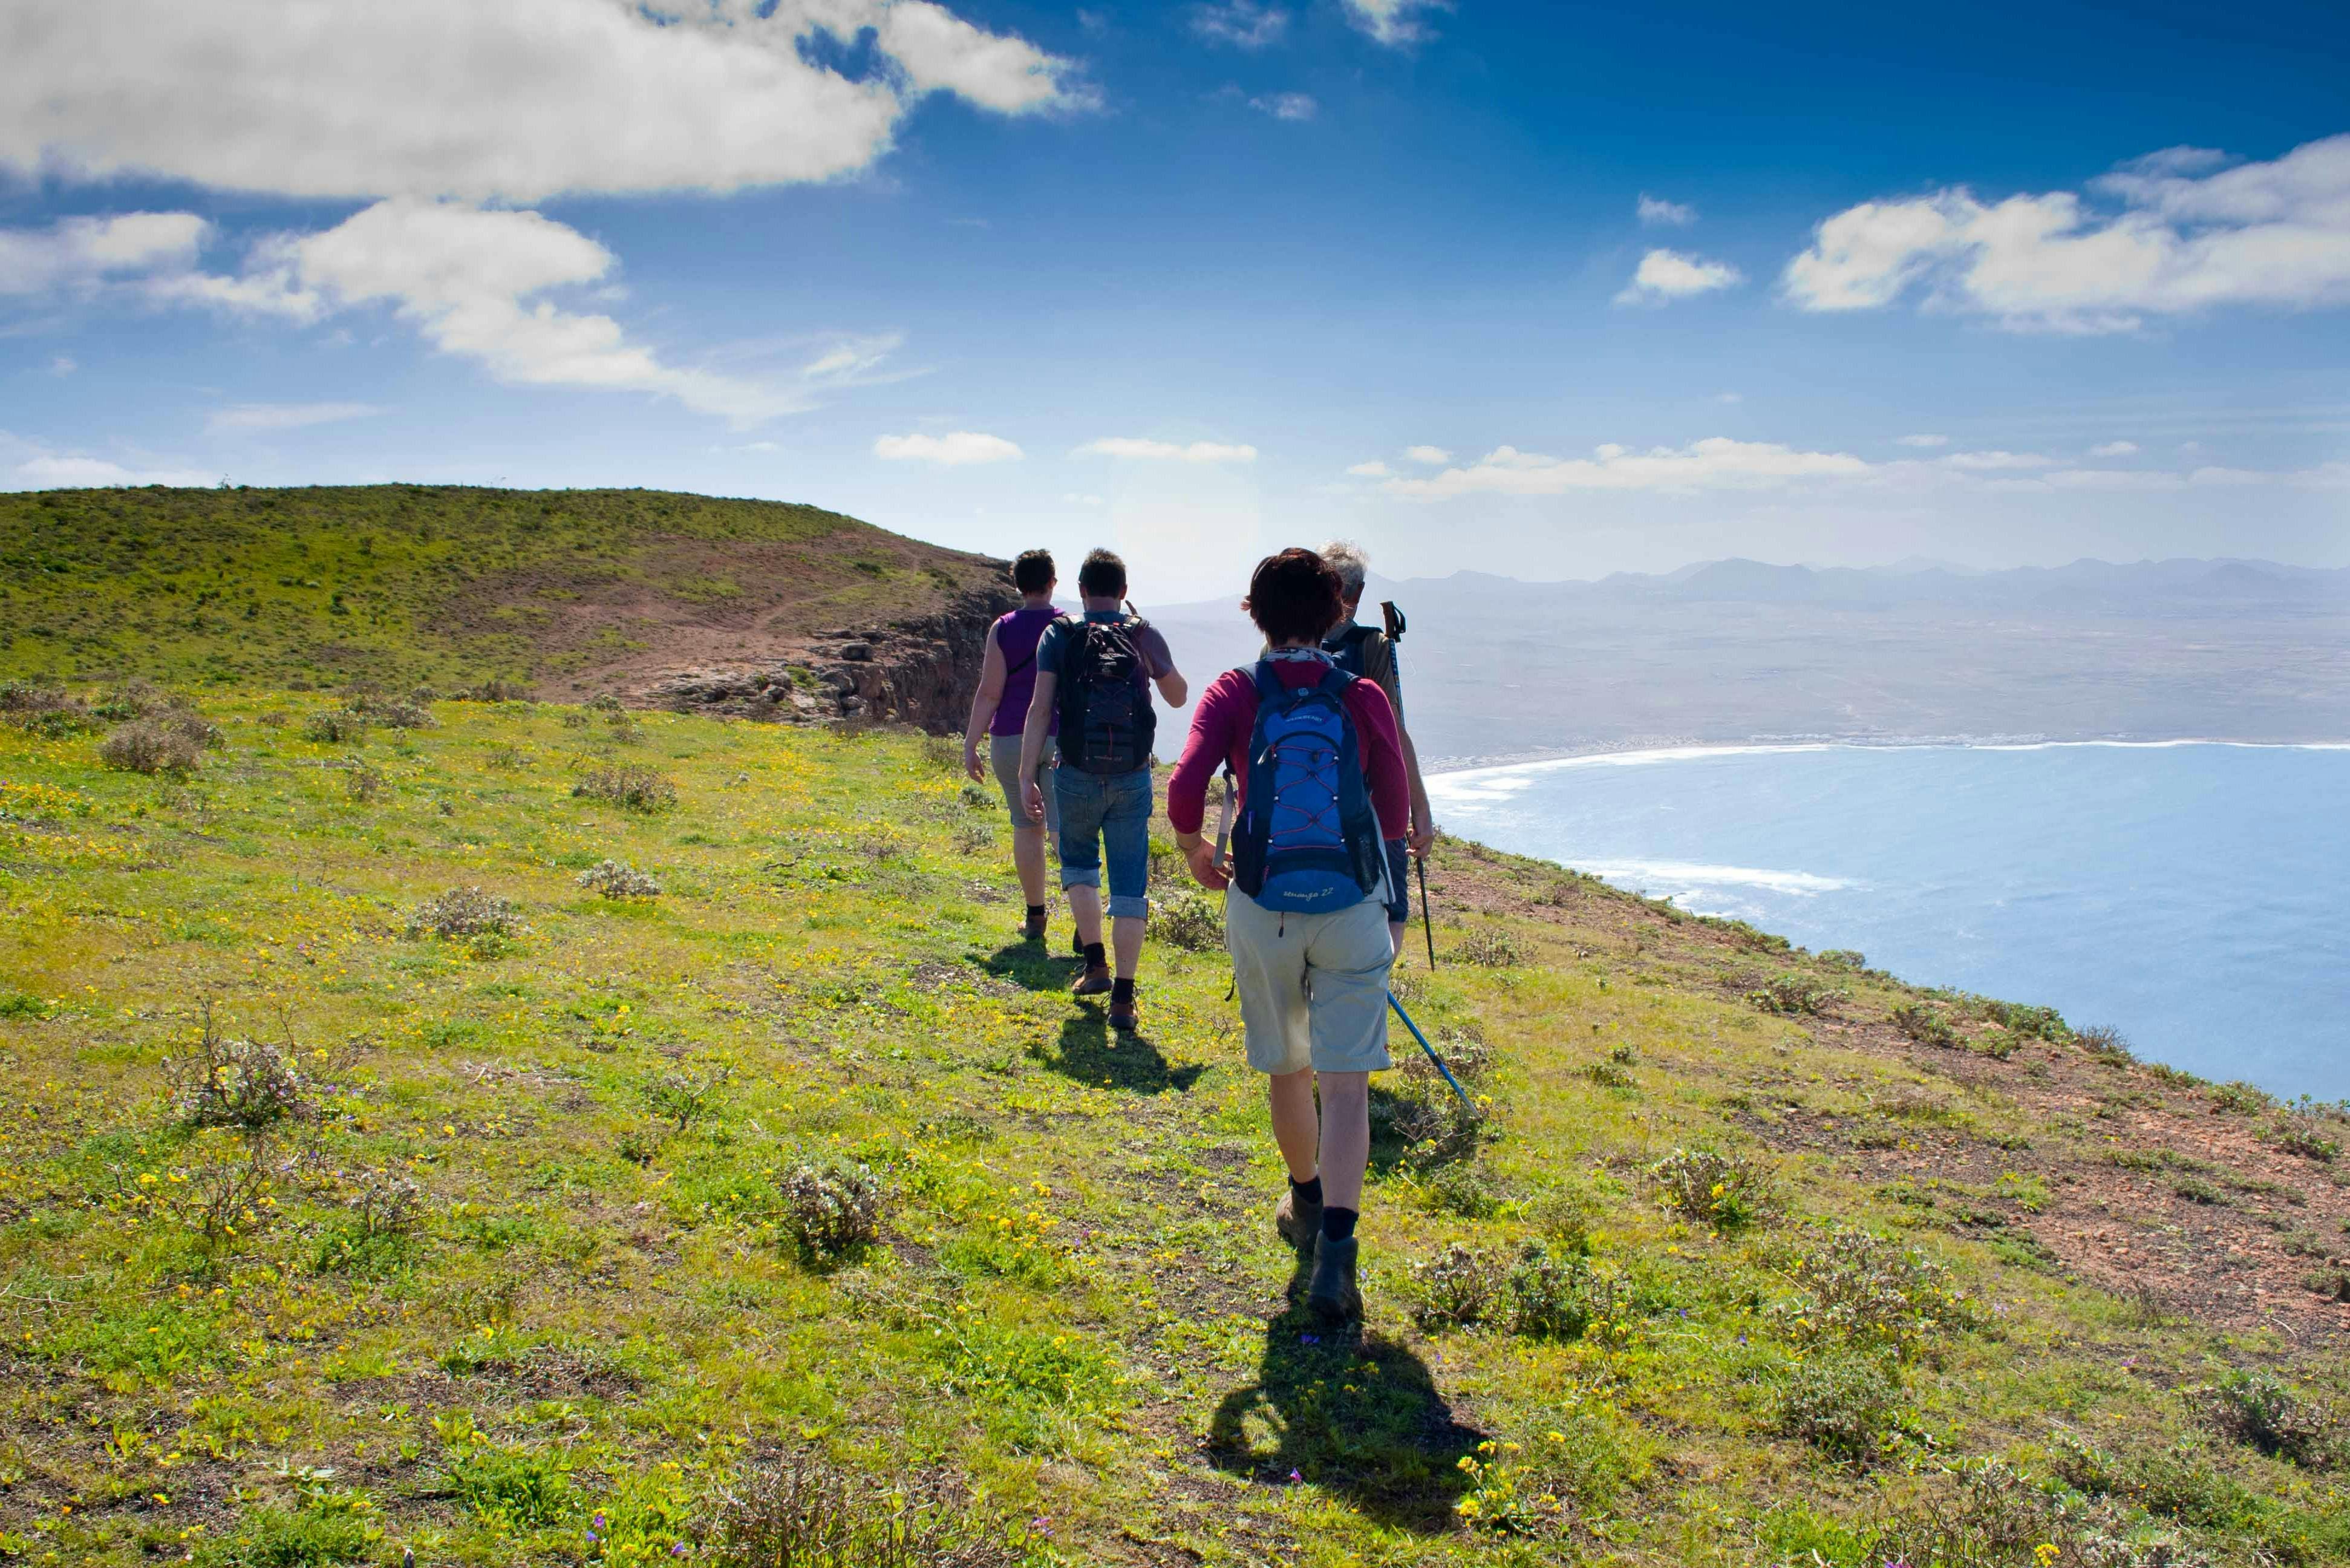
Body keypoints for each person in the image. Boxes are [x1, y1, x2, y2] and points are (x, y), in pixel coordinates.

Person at [1167, 547, 1410, 1322]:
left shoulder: (1236, 691)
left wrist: (1197, 851)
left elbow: (1184, 785)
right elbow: (1395, 810)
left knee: (1289, 1070)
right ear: (1338, 609)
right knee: (1346, 1086)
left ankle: (1305, 1202)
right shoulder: (1362, 692)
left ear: (1255, 613)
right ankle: (1338, 1254)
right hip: (1351, 907)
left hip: (1263, 901)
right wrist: (1392, 905)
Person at [1015, 549, 1186, 1032]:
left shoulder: (1060, 634)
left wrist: (1028, 772)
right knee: (1130, 886)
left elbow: (1039, 708)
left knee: (1080, 867)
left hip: (1074, 774)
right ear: (1124, 592)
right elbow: (1178, 696)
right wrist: (1149, 649)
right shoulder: (1143, 633)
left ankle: (1095, 967)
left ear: (1083, 590)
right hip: (1132, 777)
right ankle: (1125, 1000)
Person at [1319, 541, 1436, 955]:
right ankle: (1373, 990)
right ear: (1357, 592)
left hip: (1300, 803)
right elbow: (1394, 734)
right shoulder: (1370, 646)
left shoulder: (1277, 648)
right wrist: (1419, 811)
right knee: (1391, 908)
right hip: (1367, 803)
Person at [962, 549, 1065, 943]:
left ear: (1016, 584)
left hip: (1009, 738)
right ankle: (1083, 922)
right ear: (1052, 582)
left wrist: (971, 743)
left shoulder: (1002, 628)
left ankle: (1035, 917)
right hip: (1058, 737)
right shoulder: (1067, 626)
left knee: (1026, 827)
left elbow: (989, 692)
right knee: (1062, 828)